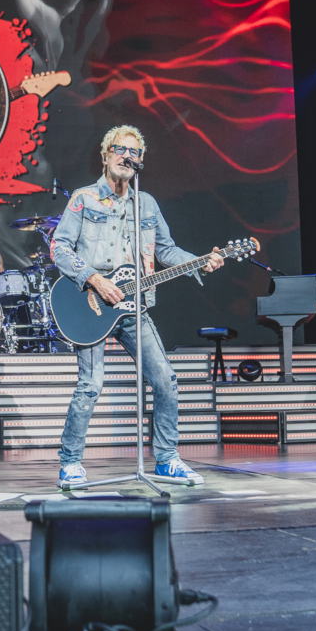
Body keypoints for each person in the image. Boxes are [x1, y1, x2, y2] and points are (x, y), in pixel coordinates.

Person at [50, 125, 224, 489]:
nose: (127, 156)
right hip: (92, 303)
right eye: (120, 149)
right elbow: (59, 248)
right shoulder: (84, 199)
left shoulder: (146, 204)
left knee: (165, 379)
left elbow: (165, 250)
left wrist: (198, 261)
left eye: (134, 152)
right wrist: (94, 279)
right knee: (91, 385)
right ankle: (70, 462)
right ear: (105, 155)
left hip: (135, 307)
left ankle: (167, 459)